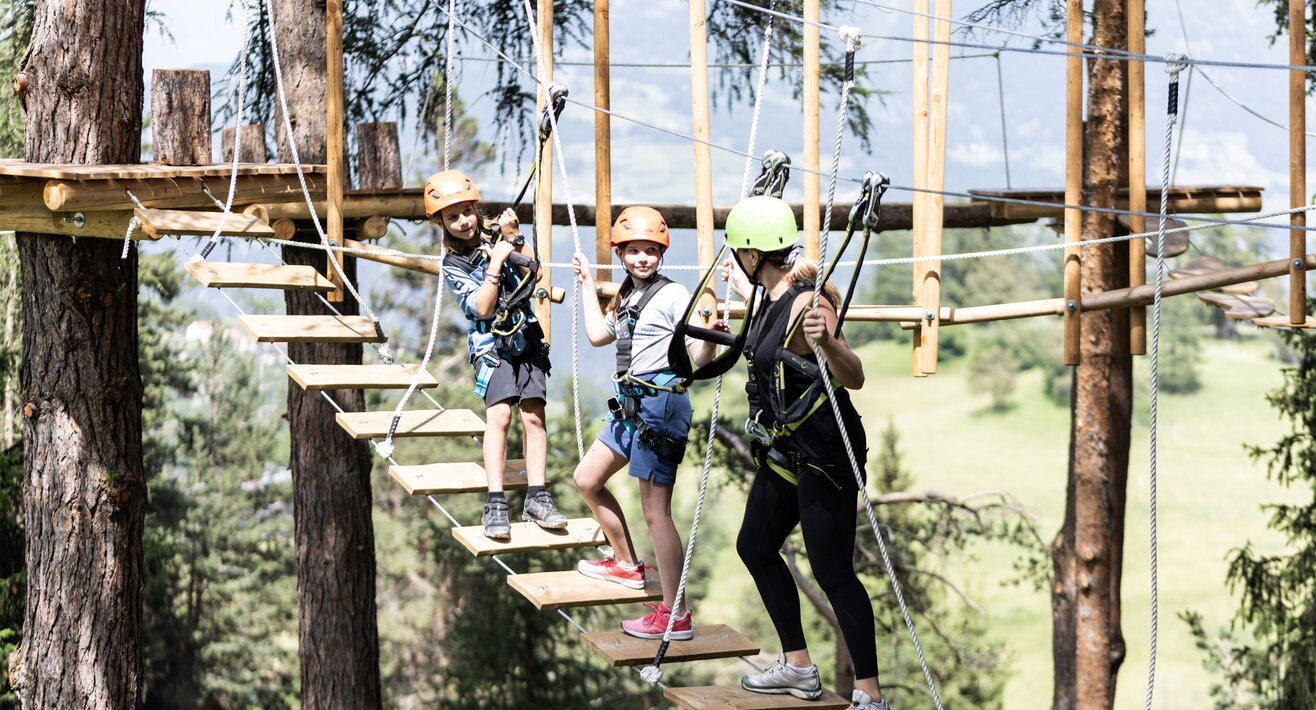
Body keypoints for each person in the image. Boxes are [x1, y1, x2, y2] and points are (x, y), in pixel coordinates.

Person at [720, 195, 890, 710]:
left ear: (753, 256)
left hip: (826, 457)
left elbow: (854, 376)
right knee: (754, 545)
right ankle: (797, 667)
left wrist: (830, 343)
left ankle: (870, 693)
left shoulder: (806, 303)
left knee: (833, 571)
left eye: (736, 257)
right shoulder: (770, 299)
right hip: (787, 451)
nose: (733, 265)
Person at [568, 206, 718, 640]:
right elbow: (599, 336)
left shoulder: (673, 295)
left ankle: (676, 613)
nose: (642, 258)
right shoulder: (627, 295)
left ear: (662, 254)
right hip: (631, 404)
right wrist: (583, 286)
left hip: (661, 404)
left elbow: (696, 356)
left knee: (656, 512)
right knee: (587, 478)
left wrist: (709, 338)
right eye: (634, 250)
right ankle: (627, 565)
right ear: (620, 254)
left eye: (650, 250)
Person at [426, 169, 567, 540]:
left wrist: (513, 237)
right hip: (492, 345)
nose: (463, 221)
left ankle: (537, 496)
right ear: (441, 222)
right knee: (500, 416)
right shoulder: (452, 264)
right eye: (452, 217)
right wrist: (494, 263)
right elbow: (482, 309)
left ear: (476, 207)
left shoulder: (495, 236)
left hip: (527, 335)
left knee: (534, 413)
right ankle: (496, 501)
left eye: (467, 212)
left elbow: (534, 273)